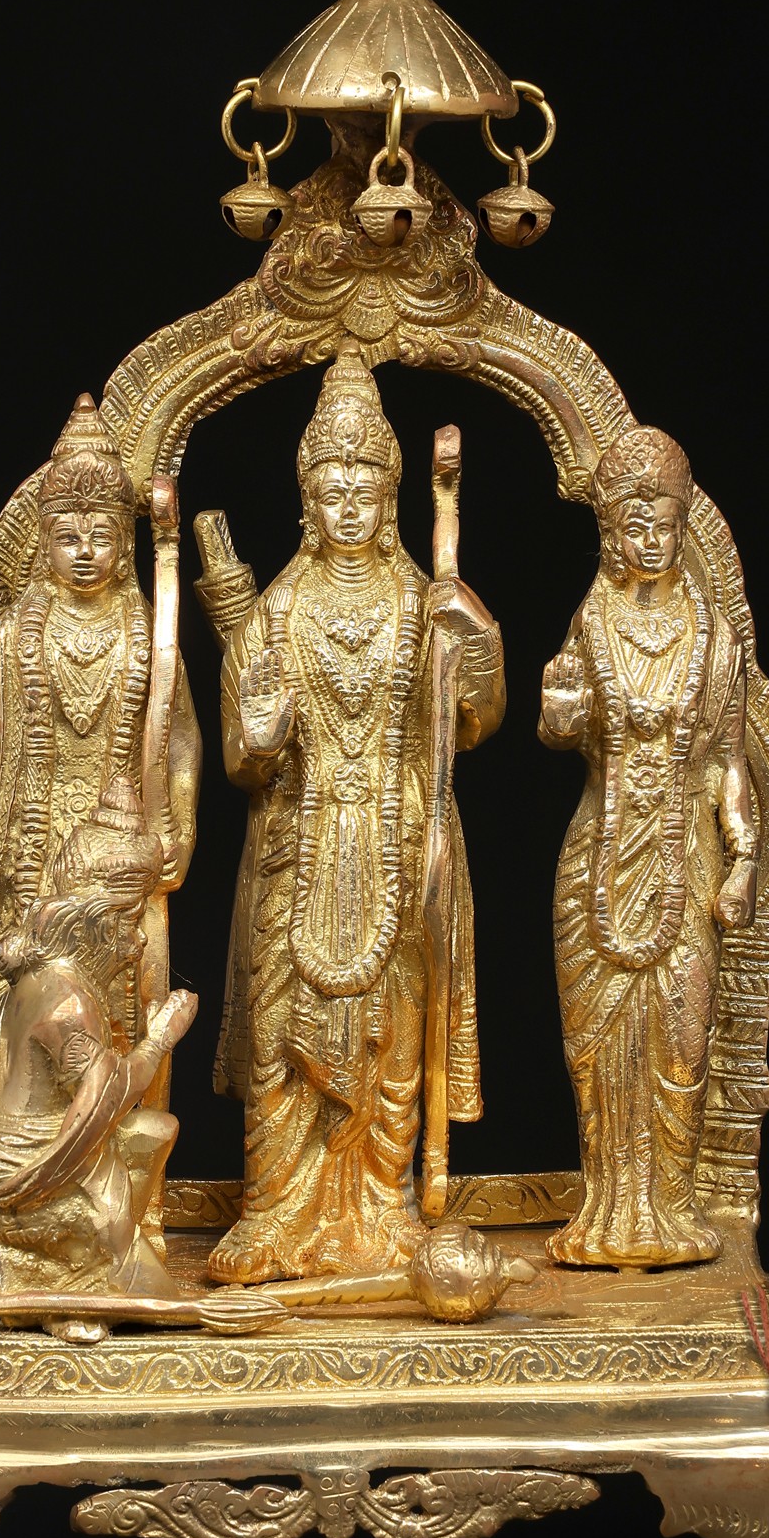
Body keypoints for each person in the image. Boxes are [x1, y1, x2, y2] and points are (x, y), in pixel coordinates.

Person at [209, 342, 504, 1283]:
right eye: (330, 489)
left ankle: (383, 1208)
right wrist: (257, 737)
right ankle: (272, 1211)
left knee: (391, 1037)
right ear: (307, 498)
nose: (346, 507)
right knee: (279, 1038)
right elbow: (239, 758)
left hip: (395, 838)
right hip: (295, 846)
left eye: (364, 489)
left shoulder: (422, 603)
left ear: (390, 496)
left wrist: (479, 646)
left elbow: (472, 721)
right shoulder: (274, 611)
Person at [0, 394, 200, 1189]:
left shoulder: (147, 635)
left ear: (125, 539)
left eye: (102, 535)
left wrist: (180, 830)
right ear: (44, 539)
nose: (85, 552)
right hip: (23, 861)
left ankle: (116, 1199)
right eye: (67, 536)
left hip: (117, 872)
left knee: (122, 1015)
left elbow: (180, 739)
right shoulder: (12, 637)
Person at [538, 425, 757, 1267]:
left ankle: (670, 1205)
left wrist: (741, 856)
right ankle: (607, 1207)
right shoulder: (591, 623)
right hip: (597, 856)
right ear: (611, 534)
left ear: (683, 526)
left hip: (685, 857)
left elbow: (727, 762)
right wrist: (561, 717)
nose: (652, 542)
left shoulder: (715, 641)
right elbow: (568, 729)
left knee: (681, 1038)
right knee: (597, 1044)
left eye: (665, 526)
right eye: (636, 527)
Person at [0, 779, 198, 1301]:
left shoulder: (41, 976)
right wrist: (160, 1039)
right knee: (152, 1289)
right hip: (20, 1181)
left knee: (155, 1130)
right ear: (95, 921)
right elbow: (104, 1103)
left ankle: (47, 1261)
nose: (139, 941)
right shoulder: (69, 1002)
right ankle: (65, 1279)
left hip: (6, 1162)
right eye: (130, 922)